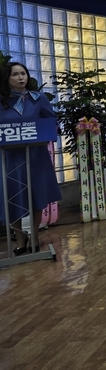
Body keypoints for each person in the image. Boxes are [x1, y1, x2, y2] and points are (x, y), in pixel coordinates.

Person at [0, 62, 61, 256]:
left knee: (37, 196)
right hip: (10, 159)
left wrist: (51, 130)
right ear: (7, 78)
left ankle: (34, 236)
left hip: (36, 157)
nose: (21, 77)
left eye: (23, 73)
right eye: (15, 74)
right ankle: (20, 239)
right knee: (11, 198)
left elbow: (52, 122)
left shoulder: (38, 98)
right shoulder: (2, 101)